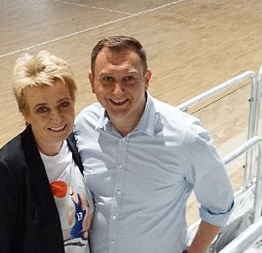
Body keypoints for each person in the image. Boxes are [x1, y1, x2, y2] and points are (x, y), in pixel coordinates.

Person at [75, 36, 234, 253]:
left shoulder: (187, 138)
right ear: (92, 82)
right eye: (108, 79)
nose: (118, 90)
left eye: (129, 78)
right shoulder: (84, 126)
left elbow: (220, 205)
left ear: (147, 79)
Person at [0, 51, 92, 253]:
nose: (57, 117)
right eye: (42, 109)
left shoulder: (77, 144)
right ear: (25, 113)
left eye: (63, 104)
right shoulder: (6, 171)